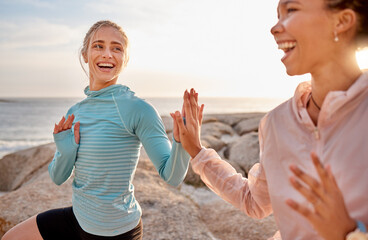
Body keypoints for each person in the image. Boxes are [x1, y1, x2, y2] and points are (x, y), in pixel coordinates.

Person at [171, 0, 368, 239]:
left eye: (291, 10)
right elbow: (254, 202)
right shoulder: (277, 123)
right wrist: (198, 152)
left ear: (342, 21)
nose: (274, 28)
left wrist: (348, 234)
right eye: (277, 15)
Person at [3, 20, 192, 240]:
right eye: (98, 46)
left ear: (125, 59)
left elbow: (172, 176)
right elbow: (57, 177)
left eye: (117, 48)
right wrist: (65, 150)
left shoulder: (139, 109)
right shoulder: (75, 112)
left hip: (117, 231)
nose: (107, 54)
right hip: (78, 219)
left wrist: (183, 144)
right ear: (85, 54)